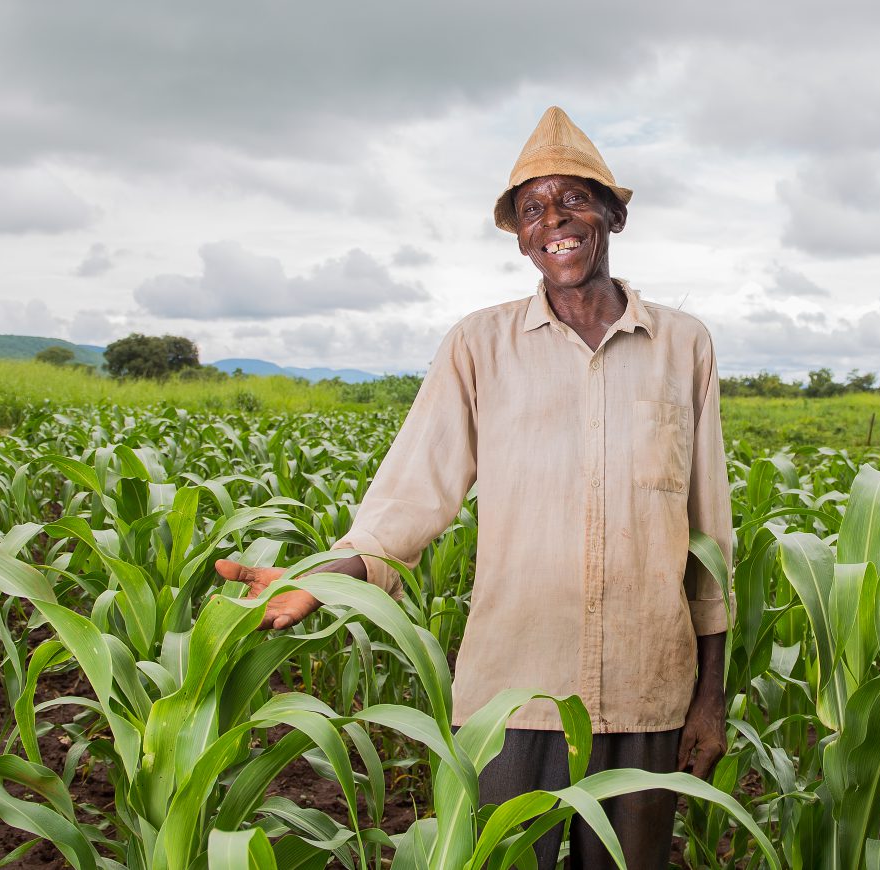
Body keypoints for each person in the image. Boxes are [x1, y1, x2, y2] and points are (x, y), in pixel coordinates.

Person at [215, 106, 733, 868]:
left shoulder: (683, 345)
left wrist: (709, 698)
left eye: (574, 199)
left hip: (648, 690)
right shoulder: (478, 347)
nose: (554, 220)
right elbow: (409, 498)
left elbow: (709, 533)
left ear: (614, 216)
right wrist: (317, 581)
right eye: (533, 209)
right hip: (514, 694)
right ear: (521, 237)